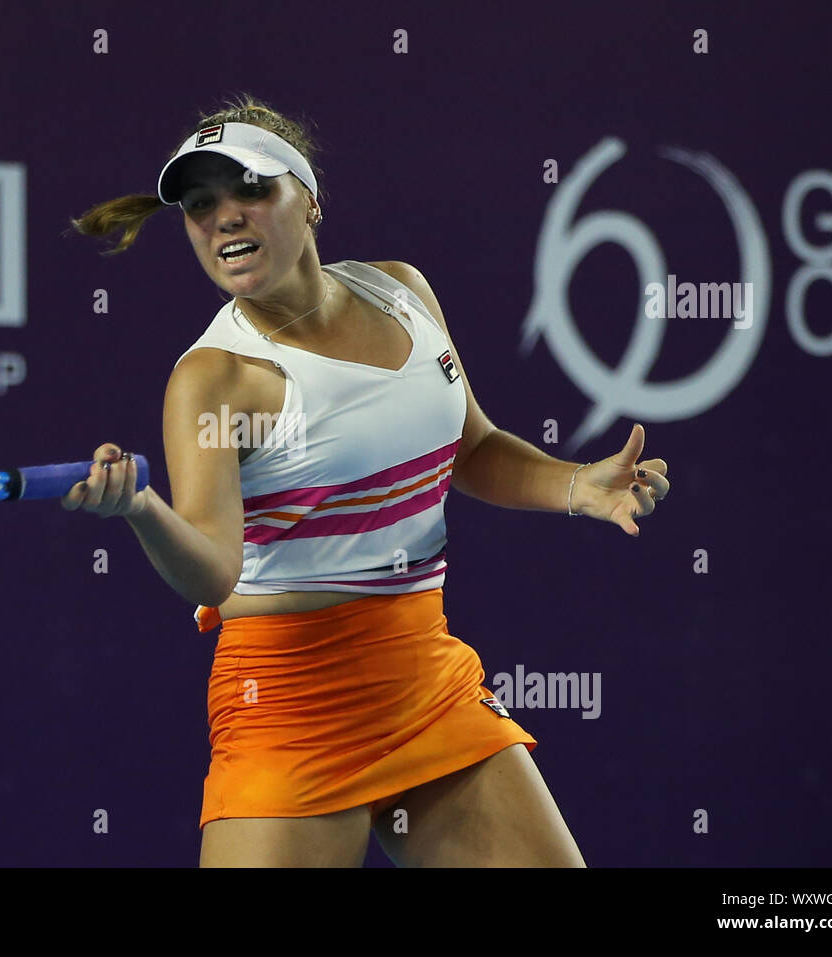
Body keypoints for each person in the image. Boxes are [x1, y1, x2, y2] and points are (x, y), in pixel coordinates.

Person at [64, 94, 670, 867]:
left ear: (309, 200)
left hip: (424, 671)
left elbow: (471, 446)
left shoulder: (401, 291)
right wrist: (143, 508)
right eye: (200, 205)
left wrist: (577, 485)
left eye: (251, 190)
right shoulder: (215, 378)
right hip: (287, 702)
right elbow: (212, 568)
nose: (224, 218)